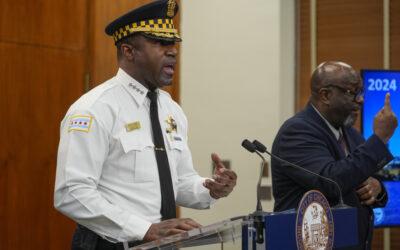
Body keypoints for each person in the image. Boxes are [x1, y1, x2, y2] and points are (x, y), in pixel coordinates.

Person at [54, 1, 237, 249]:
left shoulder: (171, 109)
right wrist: (144, 229)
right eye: (160, 43)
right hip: (110, 244)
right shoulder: (95, 108)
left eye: (173, 44)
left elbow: (179, 182)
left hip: (164, 243)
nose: (172, 51)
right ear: (129, 51)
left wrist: (210, 189)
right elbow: (71, 193)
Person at [271, 61, 398, 249]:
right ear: (326, 95)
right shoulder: (297, 131)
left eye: (360, 92)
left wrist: (377, 189)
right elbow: (332, 181)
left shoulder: (351, 134)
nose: (361, 100)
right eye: (352, 92)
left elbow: (372, 178)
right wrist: (379, 138)